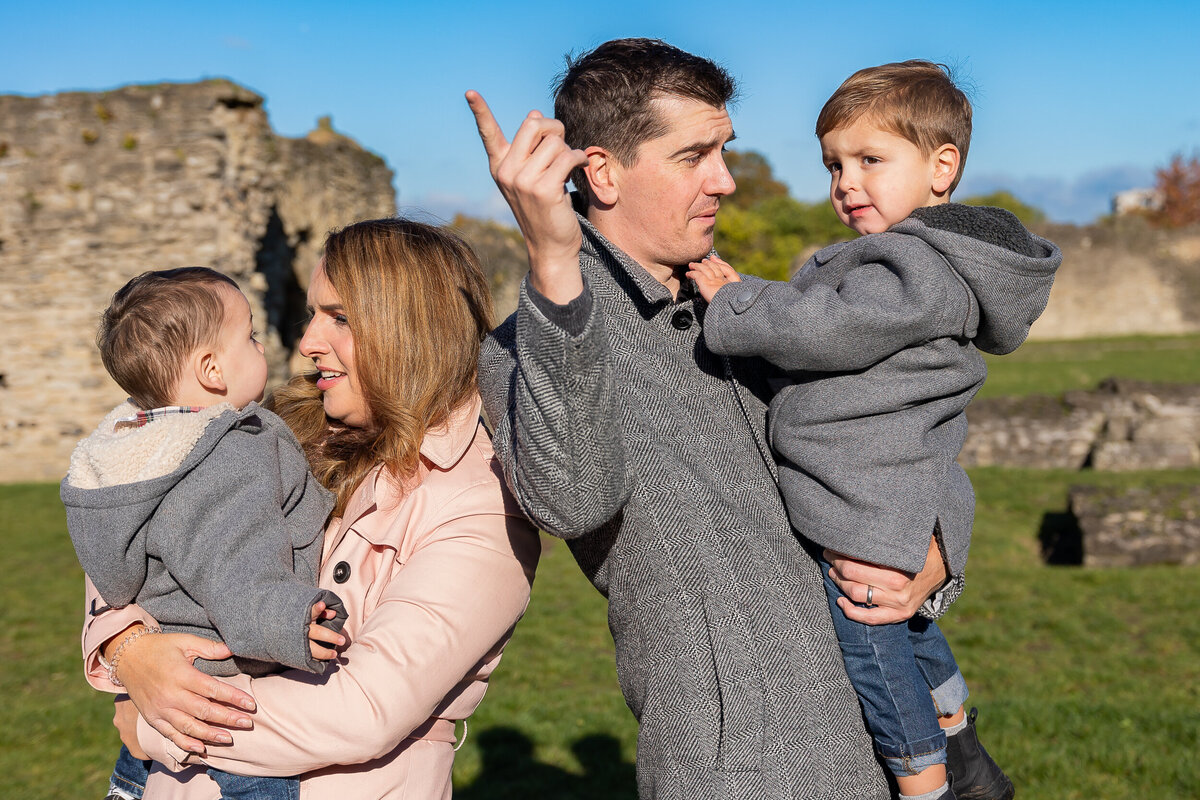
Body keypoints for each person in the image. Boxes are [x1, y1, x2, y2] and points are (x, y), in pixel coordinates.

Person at [467, 38, 949, 799]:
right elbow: (572, 500)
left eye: (724, 150)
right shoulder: (532, 344)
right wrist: (555, 270)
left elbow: (906, 420)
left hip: (900, 733)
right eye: (694, 156)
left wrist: (940, 549)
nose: (724, 180)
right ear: (602, 173)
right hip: (744, 771)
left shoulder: (752, 307)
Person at [687, 61, 1061, 800]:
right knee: (910, 627)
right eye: (833, 164)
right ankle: (957, 732)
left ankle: (924, 780)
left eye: (870, 160)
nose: (846, 182)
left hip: (868, 488)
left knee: (868, 633)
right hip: (882, 480)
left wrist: (739, 302)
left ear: (941, 166)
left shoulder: (914, 263)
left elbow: (832, 329)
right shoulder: (918, 260)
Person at [79, 218, 540, 799]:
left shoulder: (479, 502)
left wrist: (157, 722)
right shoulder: (265, 429)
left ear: (411, 328)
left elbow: (363, 709)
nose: (307, 342)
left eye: (340, 318)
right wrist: (129, 650)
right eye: (312, 314)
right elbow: (130, 524)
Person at [62, 267, 349, 800]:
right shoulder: (228, 455)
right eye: (252, 336)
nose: (270, 345)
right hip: (228, 710)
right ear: (213, 369)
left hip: (156, 738)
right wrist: (288, 623)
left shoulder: (130, 451)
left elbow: (117, 577)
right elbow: (238, 566)